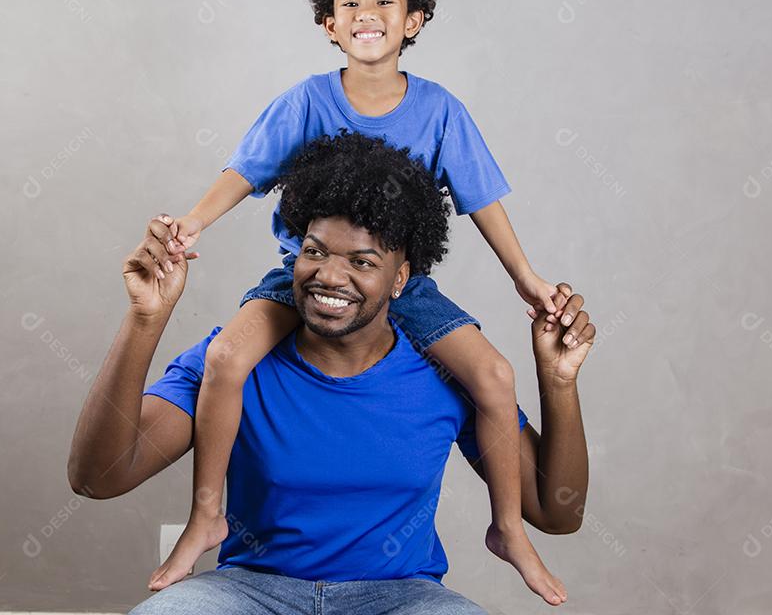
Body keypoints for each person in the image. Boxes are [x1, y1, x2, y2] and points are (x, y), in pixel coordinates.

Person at [151, 0, 575, 605]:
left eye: (384, 1)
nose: (365, 14)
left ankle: (509, 533)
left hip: (398, 289)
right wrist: (192, 222)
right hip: (304, 275)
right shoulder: (307, 101)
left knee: (494, 376)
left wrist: (526, 278)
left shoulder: (439, 110)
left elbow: (484, 200)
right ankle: (208, 515)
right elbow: (245, 169)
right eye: (348, 2)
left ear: (414, 20)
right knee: (227, 357)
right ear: (327, 22)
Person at [68, 134, 595, 614]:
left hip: (401, 598)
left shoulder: (446, 374)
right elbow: (97, 477)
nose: (330, 276)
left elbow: (557, 513)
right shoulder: (233, 361)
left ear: (400, 279)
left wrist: (559, 383)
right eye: (314, 252)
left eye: (363, 262)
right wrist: (146, 319)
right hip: (250, 590)